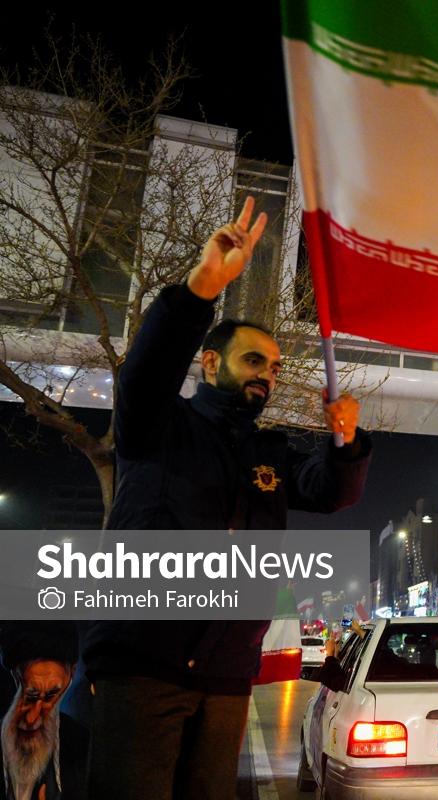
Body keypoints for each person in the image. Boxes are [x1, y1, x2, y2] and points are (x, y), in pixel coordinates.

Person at [82, 198, 373, 800]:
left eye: (274, 366)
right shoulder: (159, 424)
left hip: (226, 674)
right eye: (253, 360)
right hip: (142, 666)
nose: (267, 373)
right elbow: (145, 372)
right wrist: (201, 290)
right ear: (211, 362)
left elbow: (332, 492)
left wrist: (345, 442)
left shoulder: (268, 453)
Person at [1, 623, 88, 800]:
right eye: (29, 696)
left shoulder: (85, 748)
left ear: (71, 675)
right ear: (14, 677)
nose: (32, 718)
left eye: (51, 696)